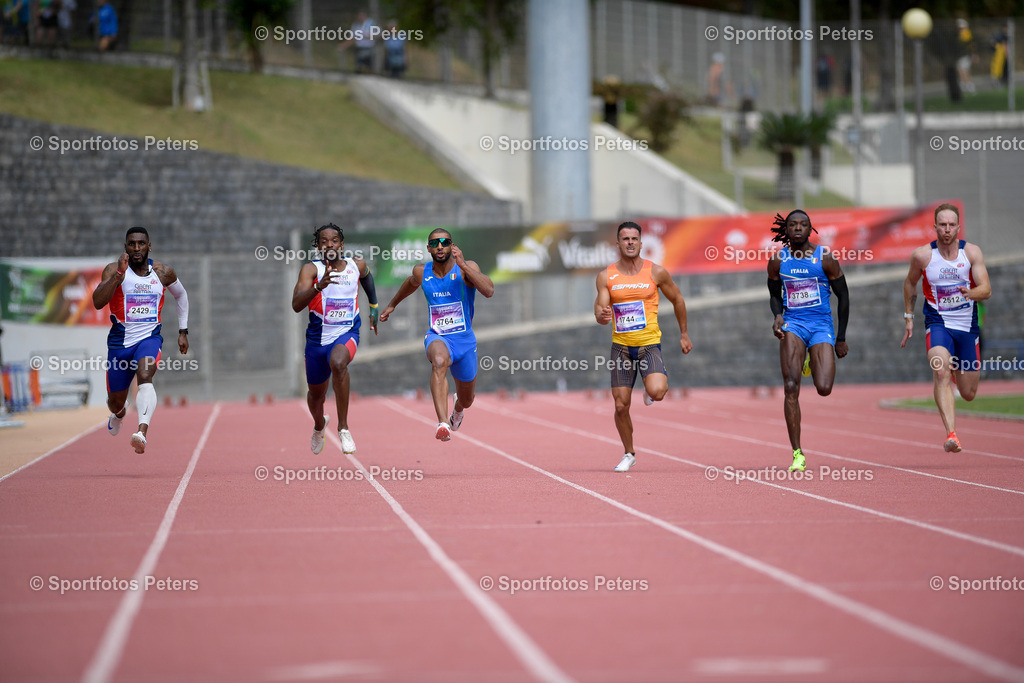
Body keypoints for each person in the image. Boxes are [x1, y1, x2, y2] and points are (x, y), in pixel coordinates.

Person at [595, 221, 693, 472]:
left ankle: (650, 388)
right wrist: (603, 316)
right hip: (621, 348)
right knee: (620, 405)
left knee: (658, 392)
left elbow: (677, 298)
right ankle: (629, 453)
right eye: (625, 239)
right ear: (617, 244)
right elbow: (600, 308)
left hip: (649, 345)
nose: (630, 243)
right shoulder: (606, 276)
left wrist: (684, 334)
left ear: (641, 242)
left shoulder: (656, 272)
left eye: (634, 239)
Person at [379, 229, 494, 441]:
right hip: (438, 336)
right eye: (435, 243)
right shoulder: (422, 272)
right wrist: (392, 305)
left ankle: (457, 410)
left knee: (467, 400)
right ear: (429, 248)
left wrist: (465, 266)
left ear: (452, 245)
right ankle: (442, 423)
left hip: (464, 341)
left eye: (445, 242)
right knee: (439, 361)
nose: (440, 246)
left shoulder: (465, 268)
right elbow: (410, 284)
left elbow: (488, 290)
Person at [900, 203, 991, 452]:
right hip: (938, 323)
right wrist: (909, 317)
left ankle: (955, 372)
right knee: (939, 369)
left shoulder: (971, 253)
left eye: (952, 225)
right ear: (935, 227)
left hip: (967, 327)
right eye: (942, 225)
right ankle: (952, 434)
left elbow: (986, 290)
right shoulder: (923, 256)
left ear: (959, 227)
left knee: (969, 392)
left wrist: (969, 292)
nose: (947, 229)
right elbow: (910, 284)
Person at [91, 227, 190, 454]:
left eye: (141, 244)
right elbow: (97, 302)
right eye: (132, 244)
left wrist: (183, 331)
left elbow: (181, 295)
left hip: (149, 338)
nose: (137, 248)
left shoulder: (163, 272)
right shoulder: (114, 270)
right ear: (125, 247)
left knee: (145, 375)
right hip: (119, 343)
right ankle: (119, 414)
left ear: (149, 246)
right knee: (115, 402)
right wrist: (118, 276)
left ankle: (141, 433)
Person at [767, 210, 850, 472]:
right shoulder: (778, 260)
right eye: (793, 225)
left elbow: (844, 297)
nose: (798, 228)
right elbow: (773, 295)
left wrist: (841, 337)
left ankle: (810, 362)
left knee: (824, 388)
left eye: (803, 224)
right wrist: (778, 315)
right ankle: (798, 453)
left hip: (821, 325)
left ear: (810, 228)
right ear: (787, 230)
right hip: (794, 325)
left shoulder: (824, 258)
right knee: (790, 386)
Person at [291, 223, 378, 455]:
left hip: (347, 333)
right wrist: (318, 287)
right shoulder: (311, 270)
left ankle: (344, 428)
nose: (329, 244)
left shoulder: (355, 264)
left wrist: (374, 305)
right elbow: (296, 305)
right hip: (317, 343)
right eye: (324, 241)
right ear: (318, 246)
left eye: (334, 240)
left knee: (339, 363)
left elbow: (367, 278)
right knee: (315, 397)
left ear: (342, 244)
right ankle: (320, 425)